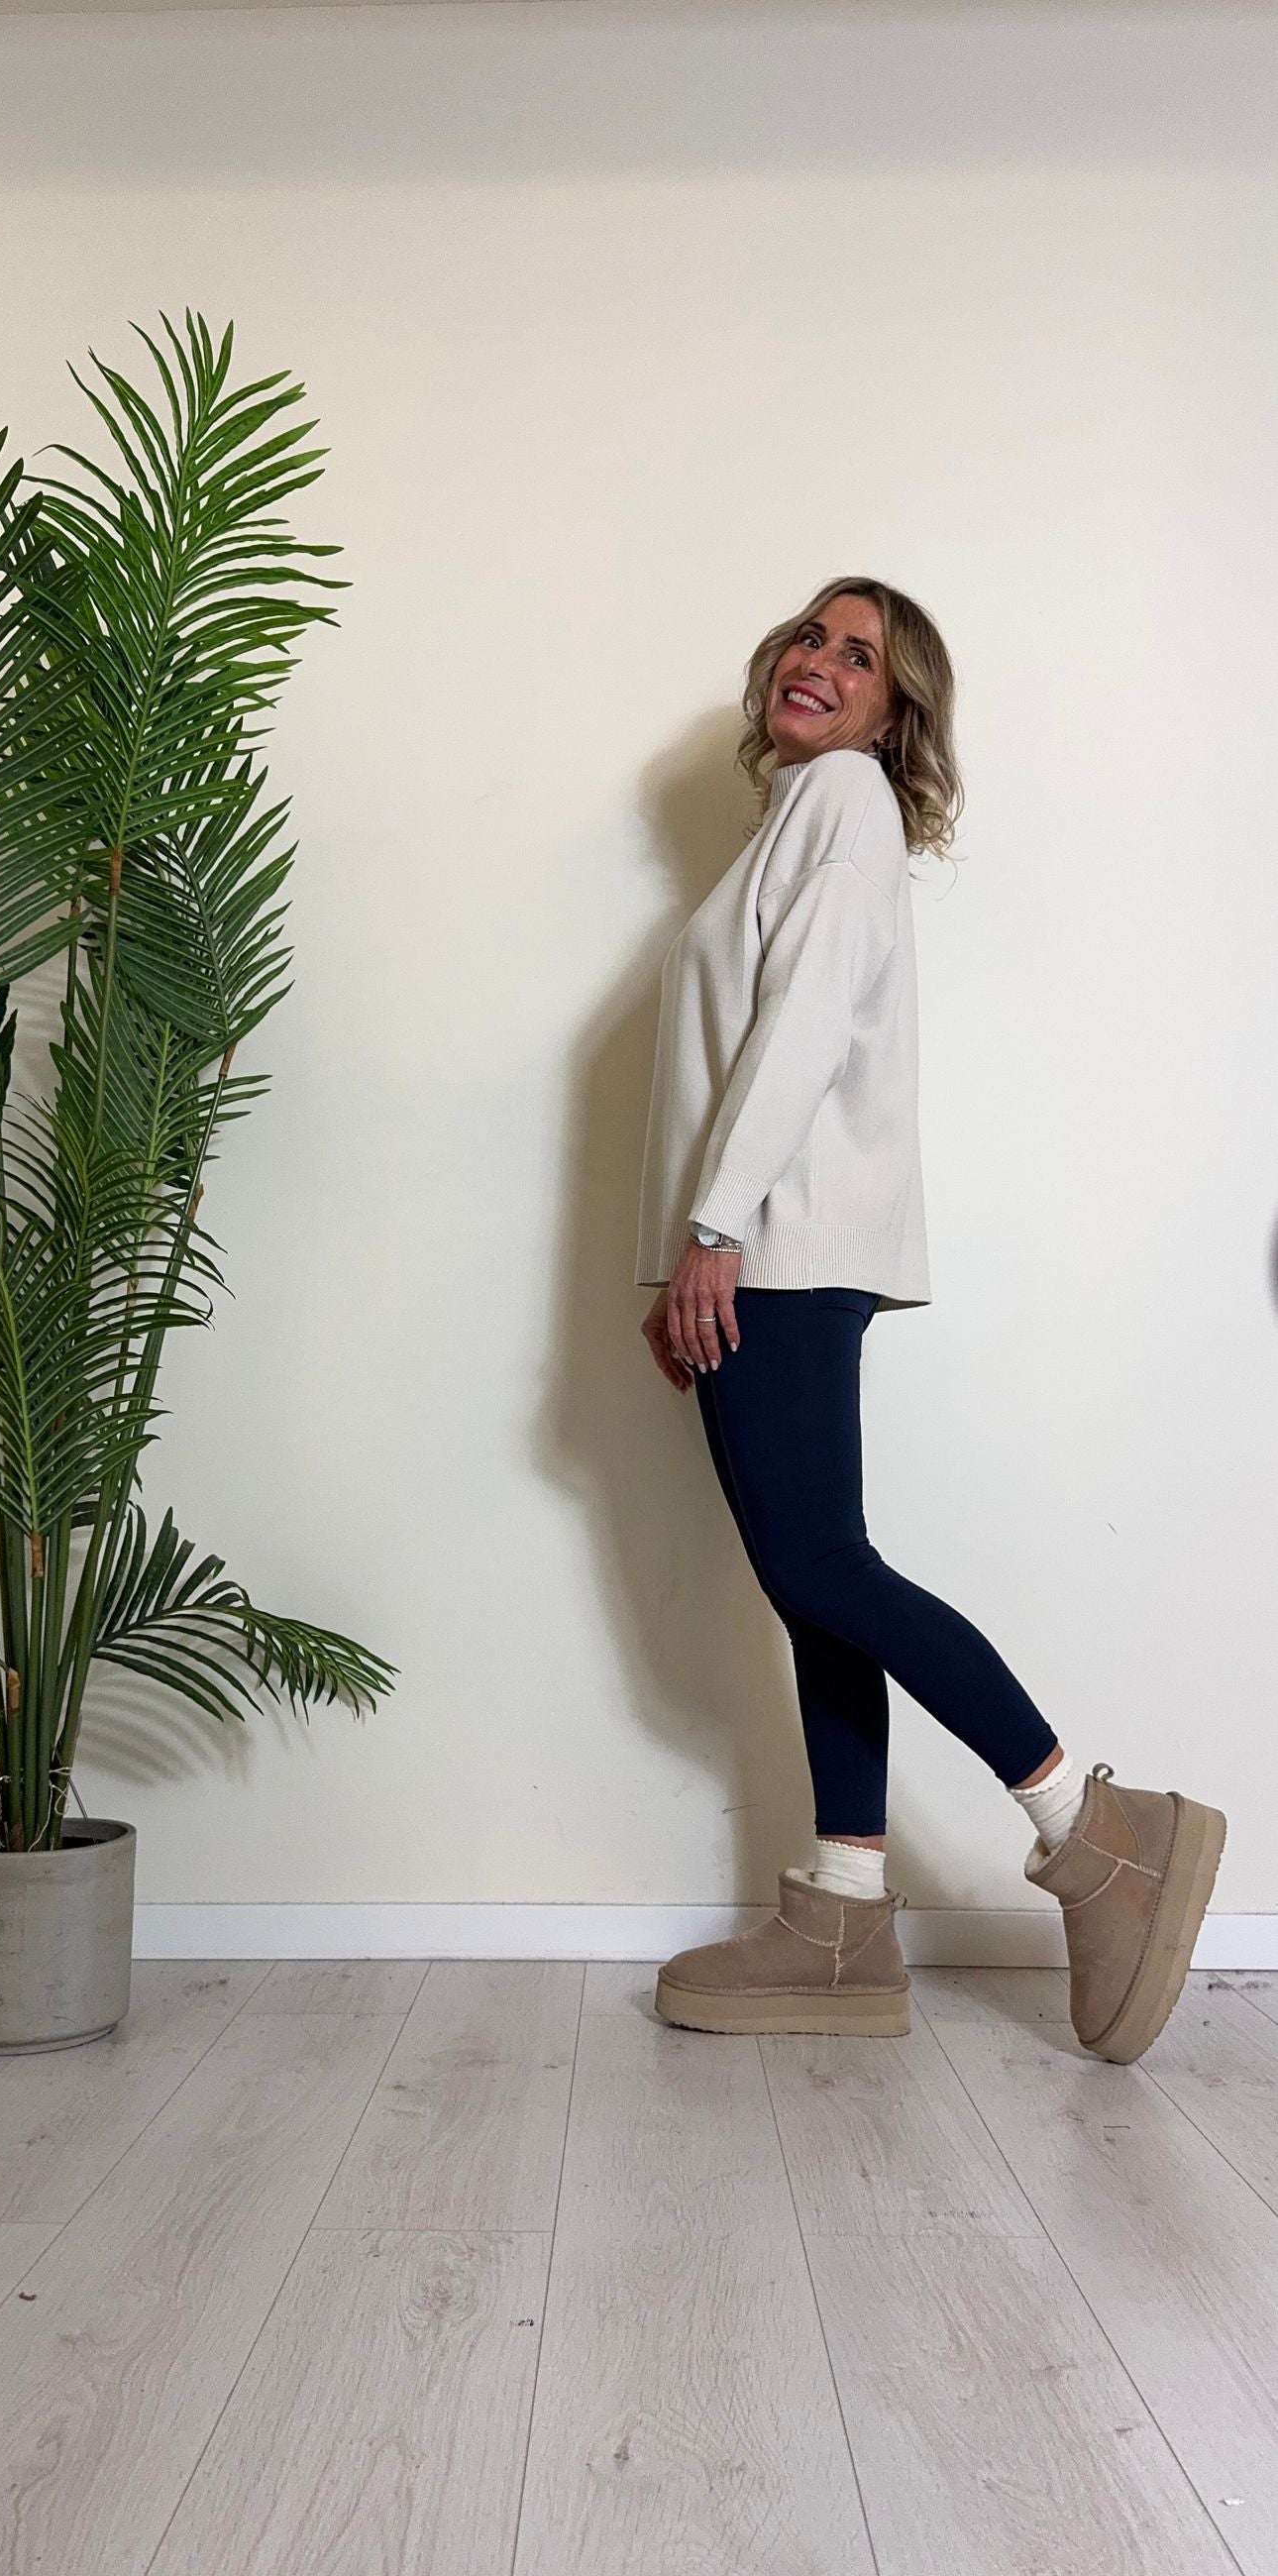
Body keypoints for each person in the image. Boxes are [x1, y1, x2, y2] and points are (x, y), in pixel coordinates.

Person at [633, 578, 1225, 2063]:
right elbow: (750, 1040)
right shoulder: (799, 819)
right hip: (763, 1251)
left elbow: (803, 1026)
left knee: (824, 1566)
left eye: (861, 658)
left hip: (776, 1247)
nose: (819, 664)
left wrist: (714, 1232)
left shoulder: (843, 799)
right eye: (809, 637)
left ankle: (1095, 1830)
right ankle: (842, 1911)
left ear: (896, 716)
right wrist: (689, 1252)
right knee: (814, 1584)